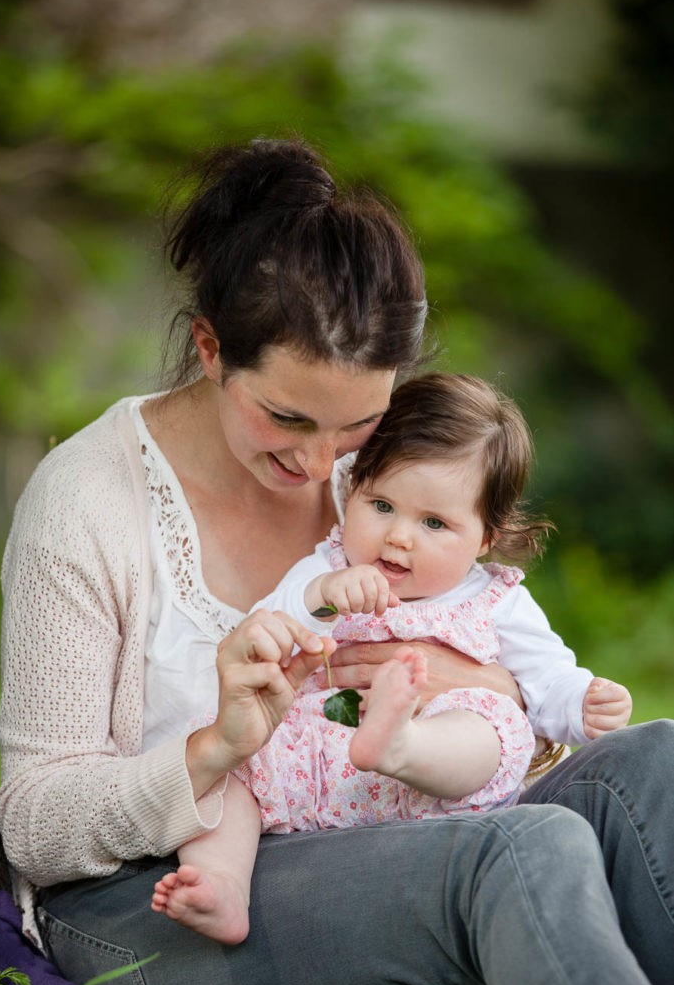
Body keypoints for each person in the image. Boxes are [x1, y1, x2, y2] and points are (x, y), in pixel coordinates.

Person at [0, 138, 674, 985]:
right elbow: (35, 824)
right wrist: (212, 747)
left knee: (654, 763)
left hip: (375, 825)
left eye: (356, 425)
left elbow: (489, 650)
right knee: (525, 849)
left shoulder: (382, 480)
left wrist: (490, 685)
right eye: (285, 418)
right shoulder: (86, 503)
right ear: (209, 347)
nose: (322, 464)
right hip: (157, 896)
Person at [150, 371, 632, 943]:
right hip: (314, 765)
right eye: (381, 504)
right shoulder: (326, 570)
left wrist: (581, 703)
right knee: (226, 769)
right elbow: (269, 627)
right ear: (353, 491)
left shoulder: (495, 600)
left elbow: (546, 677)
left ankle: (400, 742)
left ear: (484, 537)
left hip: (426, 782)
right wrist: (320, 599)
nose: (399, 537)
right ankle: (222, 884)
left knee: (493, 723)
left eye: (433, 523)